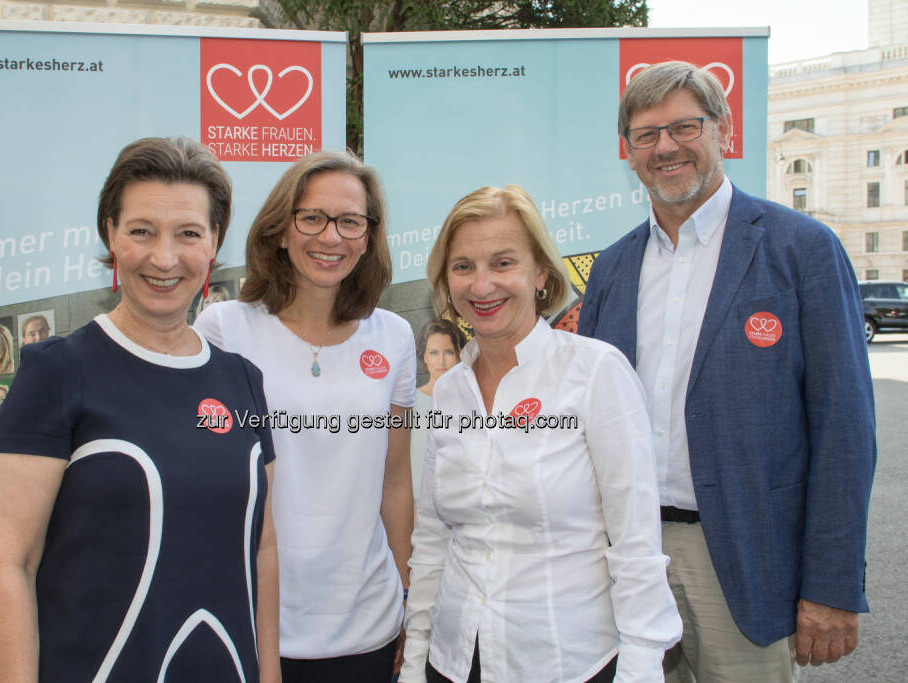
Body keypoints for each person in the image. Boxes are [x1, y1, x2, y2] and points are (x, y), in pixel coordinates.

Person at [578, 61, 876, 681]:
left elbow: (844, 429)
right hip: (624, 560)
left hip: (742, 560)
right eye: (646, 134)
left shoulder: (802, 249)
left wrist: (832, 584)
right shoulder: (611, 268)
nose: (665, 147)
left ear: (724, 130)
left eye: (684, 127)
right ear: (628, 151)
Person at [0, 136, 281, 683]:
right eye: (142, 231)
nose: (164, 258)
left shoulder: (242, 381)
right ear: (111, 235)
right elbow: (9, 566)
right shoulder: (55, 373)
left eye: (188, 234)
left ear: (214, 242)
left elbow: (261, 547)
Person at [400, 185, 681, 683]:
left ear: (542, 275)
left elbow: (635, 541)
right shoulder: (449, 393)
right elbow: (434, 536)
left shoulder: (595, 374)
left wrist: (641, 667)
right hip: (455, 658)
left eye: (503, 263)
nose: (482, 285)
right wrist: (417, 656)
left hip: (566, 662)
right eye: (463, 266)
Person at [195, 150, 415, 682]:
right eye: (311, 217)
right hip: (254, 622)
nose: (331, 237)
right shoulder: (223, 330)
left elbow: (396, 481)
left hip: (369, 623)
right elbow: (205, 486)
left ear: (369, 235)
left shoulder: (395, 336)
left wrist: (414, 603)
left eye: (349, 221)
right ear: (280, 229)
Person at [409, 319, 464, 502]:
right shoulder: (410, 405)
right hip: (418, 515)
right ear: (423, 356)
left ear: (459, 354)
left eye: (448, 352)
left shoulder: (472, 403)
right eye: (433, 353)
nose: (441, 361)